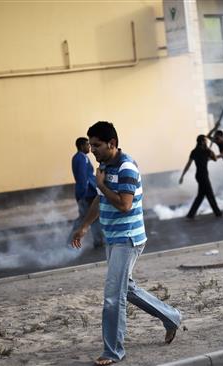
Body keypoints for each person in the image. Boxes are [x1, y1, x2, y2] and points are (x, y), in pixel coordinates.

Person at [71, 121, 182, 365]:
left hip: (127, 238)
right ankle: (172, 316)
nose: (92, 150)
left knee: (113, 296)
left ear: (112, 144)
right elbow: (100, 201)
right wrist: (85, 226)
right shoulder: (104, 165)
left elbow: (124, 204)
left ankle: (113, 352)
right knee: (126, 289)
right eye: (91, 145)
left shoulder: (126, 167)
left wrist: (100, 184)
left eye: (97, 145)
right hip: (113, 237)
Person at [68, 137, 105, 248]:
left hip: (88, 193)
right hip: (87, 194)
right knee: (85, 218)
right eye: (88, 145)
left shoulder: (81, 157)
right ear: (81, 146)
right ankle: (71, 241)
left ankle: (98, 241)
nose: (90, 147)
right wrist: (83, 194)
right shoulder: (81, 158)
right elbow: (83, 178)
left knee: (92, 217)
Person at [179, 135, 223, 219]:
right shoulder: (206, 151)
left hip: (199, 175)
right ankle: (218, 213)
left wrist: (182, 175)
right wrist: (210, 150)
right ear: (202, 141)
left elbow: (188, 164)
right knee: (210, 194)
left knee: (200, 196)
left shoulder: (194, 151)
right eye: (205, 140)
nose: (207, 142)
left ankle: (190, 215)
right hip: (203, 176)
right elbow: (215, 159)